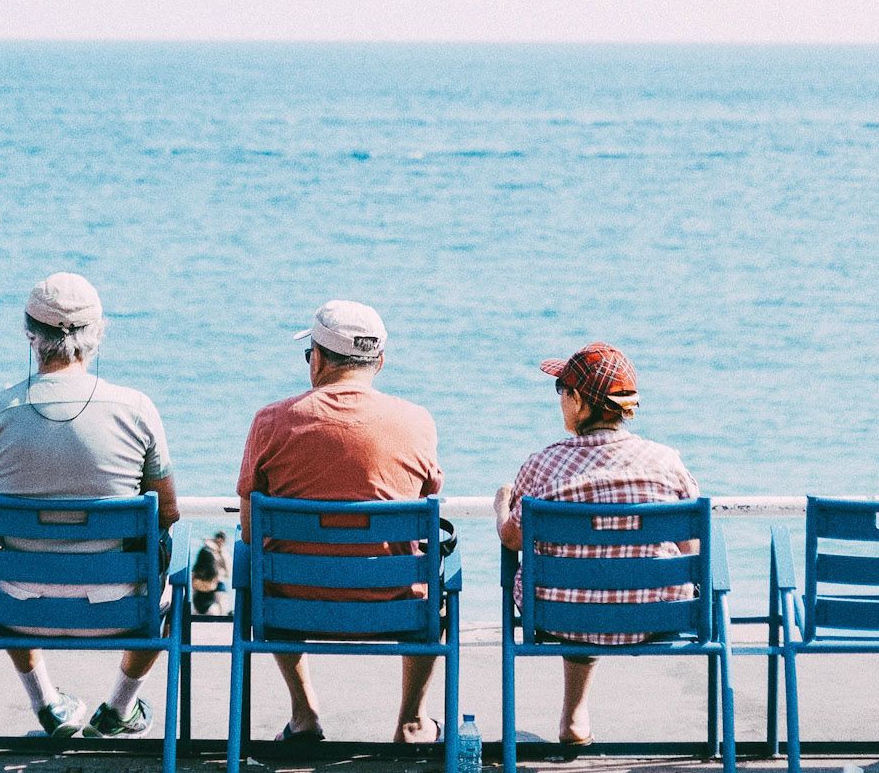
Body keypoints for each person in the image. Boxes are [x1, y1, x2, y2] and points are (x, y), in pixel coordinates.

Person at [0, 271, 179, 743]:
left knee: (0, 565)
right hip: (123, 610)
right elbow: (167, 513)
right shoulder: (136, 408)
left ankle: (46, 704)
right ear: (98, 334)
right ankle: (120, 708)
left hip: (16, 609)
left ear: (29, 335)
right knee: (170, 573)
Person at [236, 299, 444, 750]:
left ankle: (304, 714)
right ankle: (411, 722)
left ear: (320, 360)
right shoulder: (417, 421)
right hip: (394, 602)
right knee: (434, 574)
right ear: (380, 361)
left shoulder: (271, 421)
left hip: (292, 603)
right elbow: (425, 511)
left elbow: (251, 534)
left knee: (264, 565)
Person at [494, 342, 697, 749]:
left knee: (581, 586)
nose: (560, 401)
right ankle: (575, 716)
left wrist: (501, 506)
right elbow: (691, 544)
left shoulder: (543, 465)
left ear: (580, 401)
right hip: (653, 615)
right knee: (604, 575)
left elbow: (513, 538)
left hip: (561, 615)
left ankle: (573, 715)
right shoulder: (665, 462)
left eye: (562, 392)